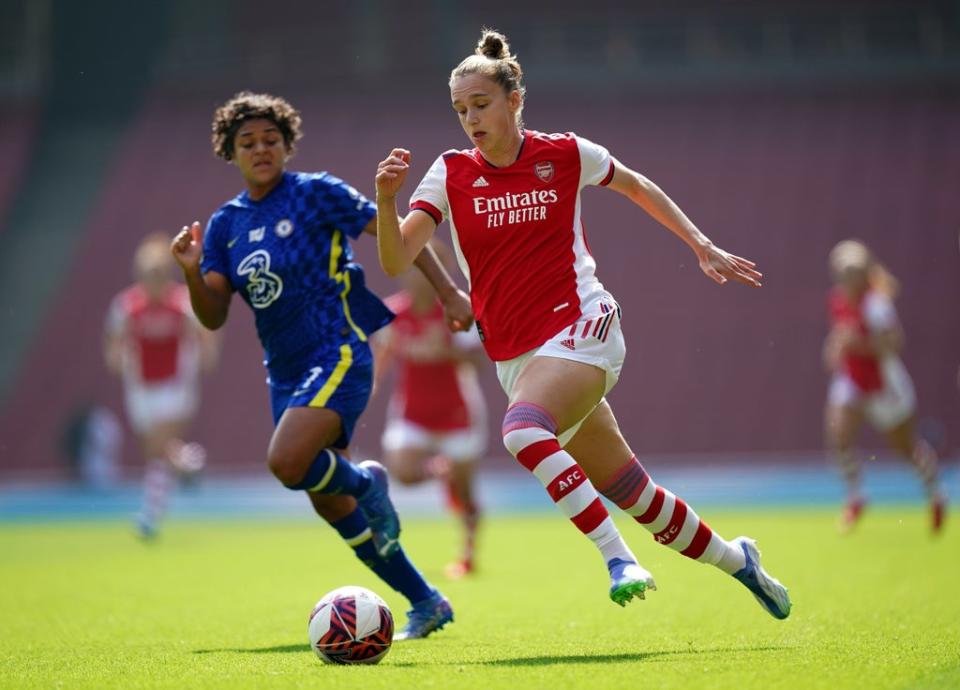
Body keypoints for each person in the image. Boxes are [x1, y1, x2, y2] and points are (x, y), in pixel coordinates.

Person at [373, 29, 791, 619]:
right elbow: (395, 258)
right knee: (634, 494)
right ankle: (739, 561)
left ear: (515, 100)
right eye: (460, 109)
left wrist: (700, 243)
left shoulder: (565, 153)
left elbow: (636, 184)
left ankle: (616, 558)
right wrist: (386, 202)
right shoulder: (449, 174)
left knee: (521, 433)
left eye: (482, 104)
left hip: (584, 323)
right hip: (517, 356)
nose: (470, 118)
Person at [170, 92, 474, 639]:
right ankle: (426, 600)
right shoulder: (224, 226)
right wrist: (192, 272)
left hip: (338, 348)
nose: (261, 149)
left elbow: (398, 237)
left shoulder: (317, 194)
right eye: (248, 143)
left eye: (271, 139)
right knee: (331, 504)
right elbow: (213, 316)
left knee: (287, 463)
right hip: (284, 371)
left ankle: (368, 481)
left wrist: (450, 292)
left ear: (287, 145)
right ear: (230, 152)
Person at [373, 239, 488, 578]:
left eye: (426, 270)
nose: (417, 277)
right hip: (413, 412)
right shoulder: (391, 314)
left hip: (458, 412)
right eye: (412, 268)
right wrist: (367, 388)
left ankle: (467, 554)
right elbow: (379, 361)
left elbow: (477, 362)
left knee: (466, 491)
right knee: (403, 472)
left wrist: (445, 351)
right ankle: (438, 470)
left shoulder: (455, 311)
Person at [823, 239, 946, 533]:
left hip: (884, 385)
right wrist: (836, 348)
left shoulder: (876, 304)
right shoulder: (839, 300)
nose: (843, 283)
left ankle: (936, 495)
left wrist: (859, 344)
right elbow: (840, 337)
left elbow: (893, 344)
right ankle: (856, 497)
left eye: (849, 277)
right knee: (838, 433)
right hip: (853, 379)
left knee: (905, 448)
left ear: (862, 277)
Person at [105, 233, 217, 538]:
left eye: (158, 274)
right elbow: (115, 343)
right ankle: (186, 464)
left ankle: (150, 515)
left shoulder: (181, 303)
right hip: (141, 387)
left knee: (158, 443)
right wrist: (116, 357)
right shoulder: (127, 306)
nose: (152, 281)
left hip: (175, 384)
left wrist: (207, 353)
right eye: (147, 275)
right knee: (154, 453)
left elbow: (204, 330)